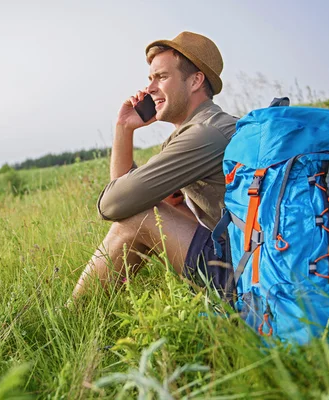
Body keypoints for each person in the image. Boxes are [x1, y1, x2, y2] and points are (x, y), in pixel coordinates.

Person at [72, 31, 238, 300]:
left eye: (161, 77)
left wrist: (135, 201)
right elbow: (127, 193)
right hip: (239, 261)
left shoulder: (205, 134)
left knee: (139, 216)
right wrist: (124, 128)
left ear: (195, 81)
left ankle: (71, 318)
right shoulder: (205, 128)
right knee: (150, 208)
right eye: (150, 78)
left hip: (244, 280)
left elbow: (115, 204)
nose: (149, 89)